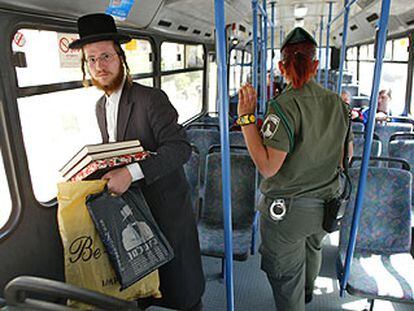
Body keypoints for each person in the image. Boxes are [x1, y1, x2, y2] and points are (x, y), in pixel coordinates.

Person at [69, 13, 204, 311]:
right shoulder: (100, 107)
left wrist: (131, 173)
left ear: (121, 58)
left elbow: (181, 148)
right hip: (131, 214)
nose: (99, 66)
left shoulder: (151, 99)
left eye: (105, 56)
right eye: (91, 60)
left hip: (166, 211)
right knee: (140, 291)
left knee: (183, 294)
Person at [237, 27, 351, 311]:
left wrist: (246, 119)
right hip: (326, 205)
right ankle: (308, 291)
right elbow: (344, 158)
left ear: (280, 67)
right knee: (313, 248)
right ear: (315, 65)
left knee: (286, 279)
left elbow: (267, 167)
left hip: (287, 214)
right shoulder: (338, 103)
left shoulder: (283, 106)